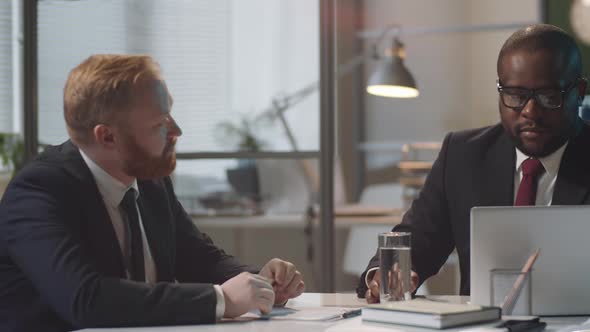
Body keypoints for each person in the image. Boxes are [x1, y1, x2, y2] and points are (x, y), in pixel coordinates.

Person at [0, 54, 305, 331]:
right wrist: (221, 298)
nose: (176, 131)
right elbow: (85, 299)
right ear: (107, 136)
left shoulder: (147, 177)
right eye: (160, 122)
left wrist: (261, 281)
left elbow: (196, 257)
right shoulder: (37, 193)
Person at [358, 23, 590, 303]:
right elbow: (414, 243)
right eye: (515, 96)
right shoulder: (463, 156)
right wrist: (386, 274)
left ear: (579, 91)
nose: (530, 111)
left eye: (549, 96)